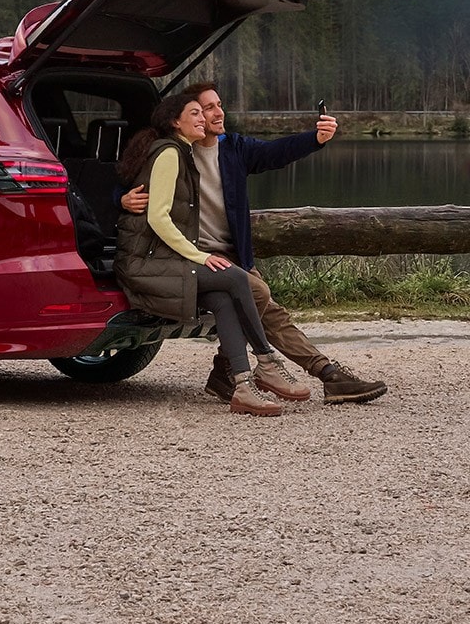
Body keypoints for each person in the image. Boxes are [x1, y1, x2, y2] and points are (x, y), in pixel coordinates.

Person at [121, 82, 388, 406]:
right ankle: (298, 371)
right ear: (183, 116)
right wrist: (122, 199)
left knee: (271, 311)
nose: (218, 113)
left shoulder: (233, 149)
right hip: (195, 255)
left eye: (219, 105)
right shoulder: (176, 151)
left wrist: (314, 139)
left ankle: (239, 373)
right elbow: (138, 183)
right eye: (206, 108)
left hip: (230, 255)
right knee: (259, 295)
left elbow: (274, 153)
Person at [113, 93, 308, 417]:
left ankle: (242, 387)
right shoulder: (169, 153)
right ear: (175, 121)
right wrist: (199, 256)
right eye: (195, 113)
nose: (203, 118)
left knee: (221, 298)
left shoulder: (182, 153)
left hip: (161, 258)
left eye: (203, 114)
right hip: (142, 262)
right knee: (233, 276)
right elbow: (157, 217)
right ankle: (267, 361)